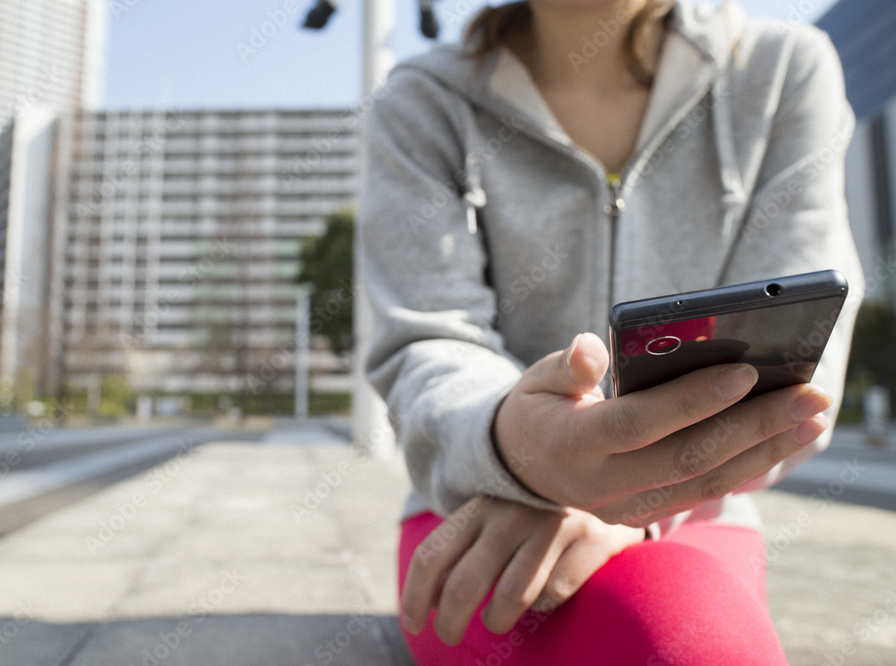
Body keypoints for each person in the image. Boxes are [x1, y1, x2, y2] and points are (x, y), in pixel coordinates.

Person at [358, 0, 864, 664]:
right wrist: (519, 456)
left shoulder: (780, 73)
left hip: (698, 512)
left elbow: (801, 352)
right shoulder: (420, 103)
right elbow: (426, 342)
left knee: (690, 632)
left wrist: (632, 498)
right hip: (479, 508)